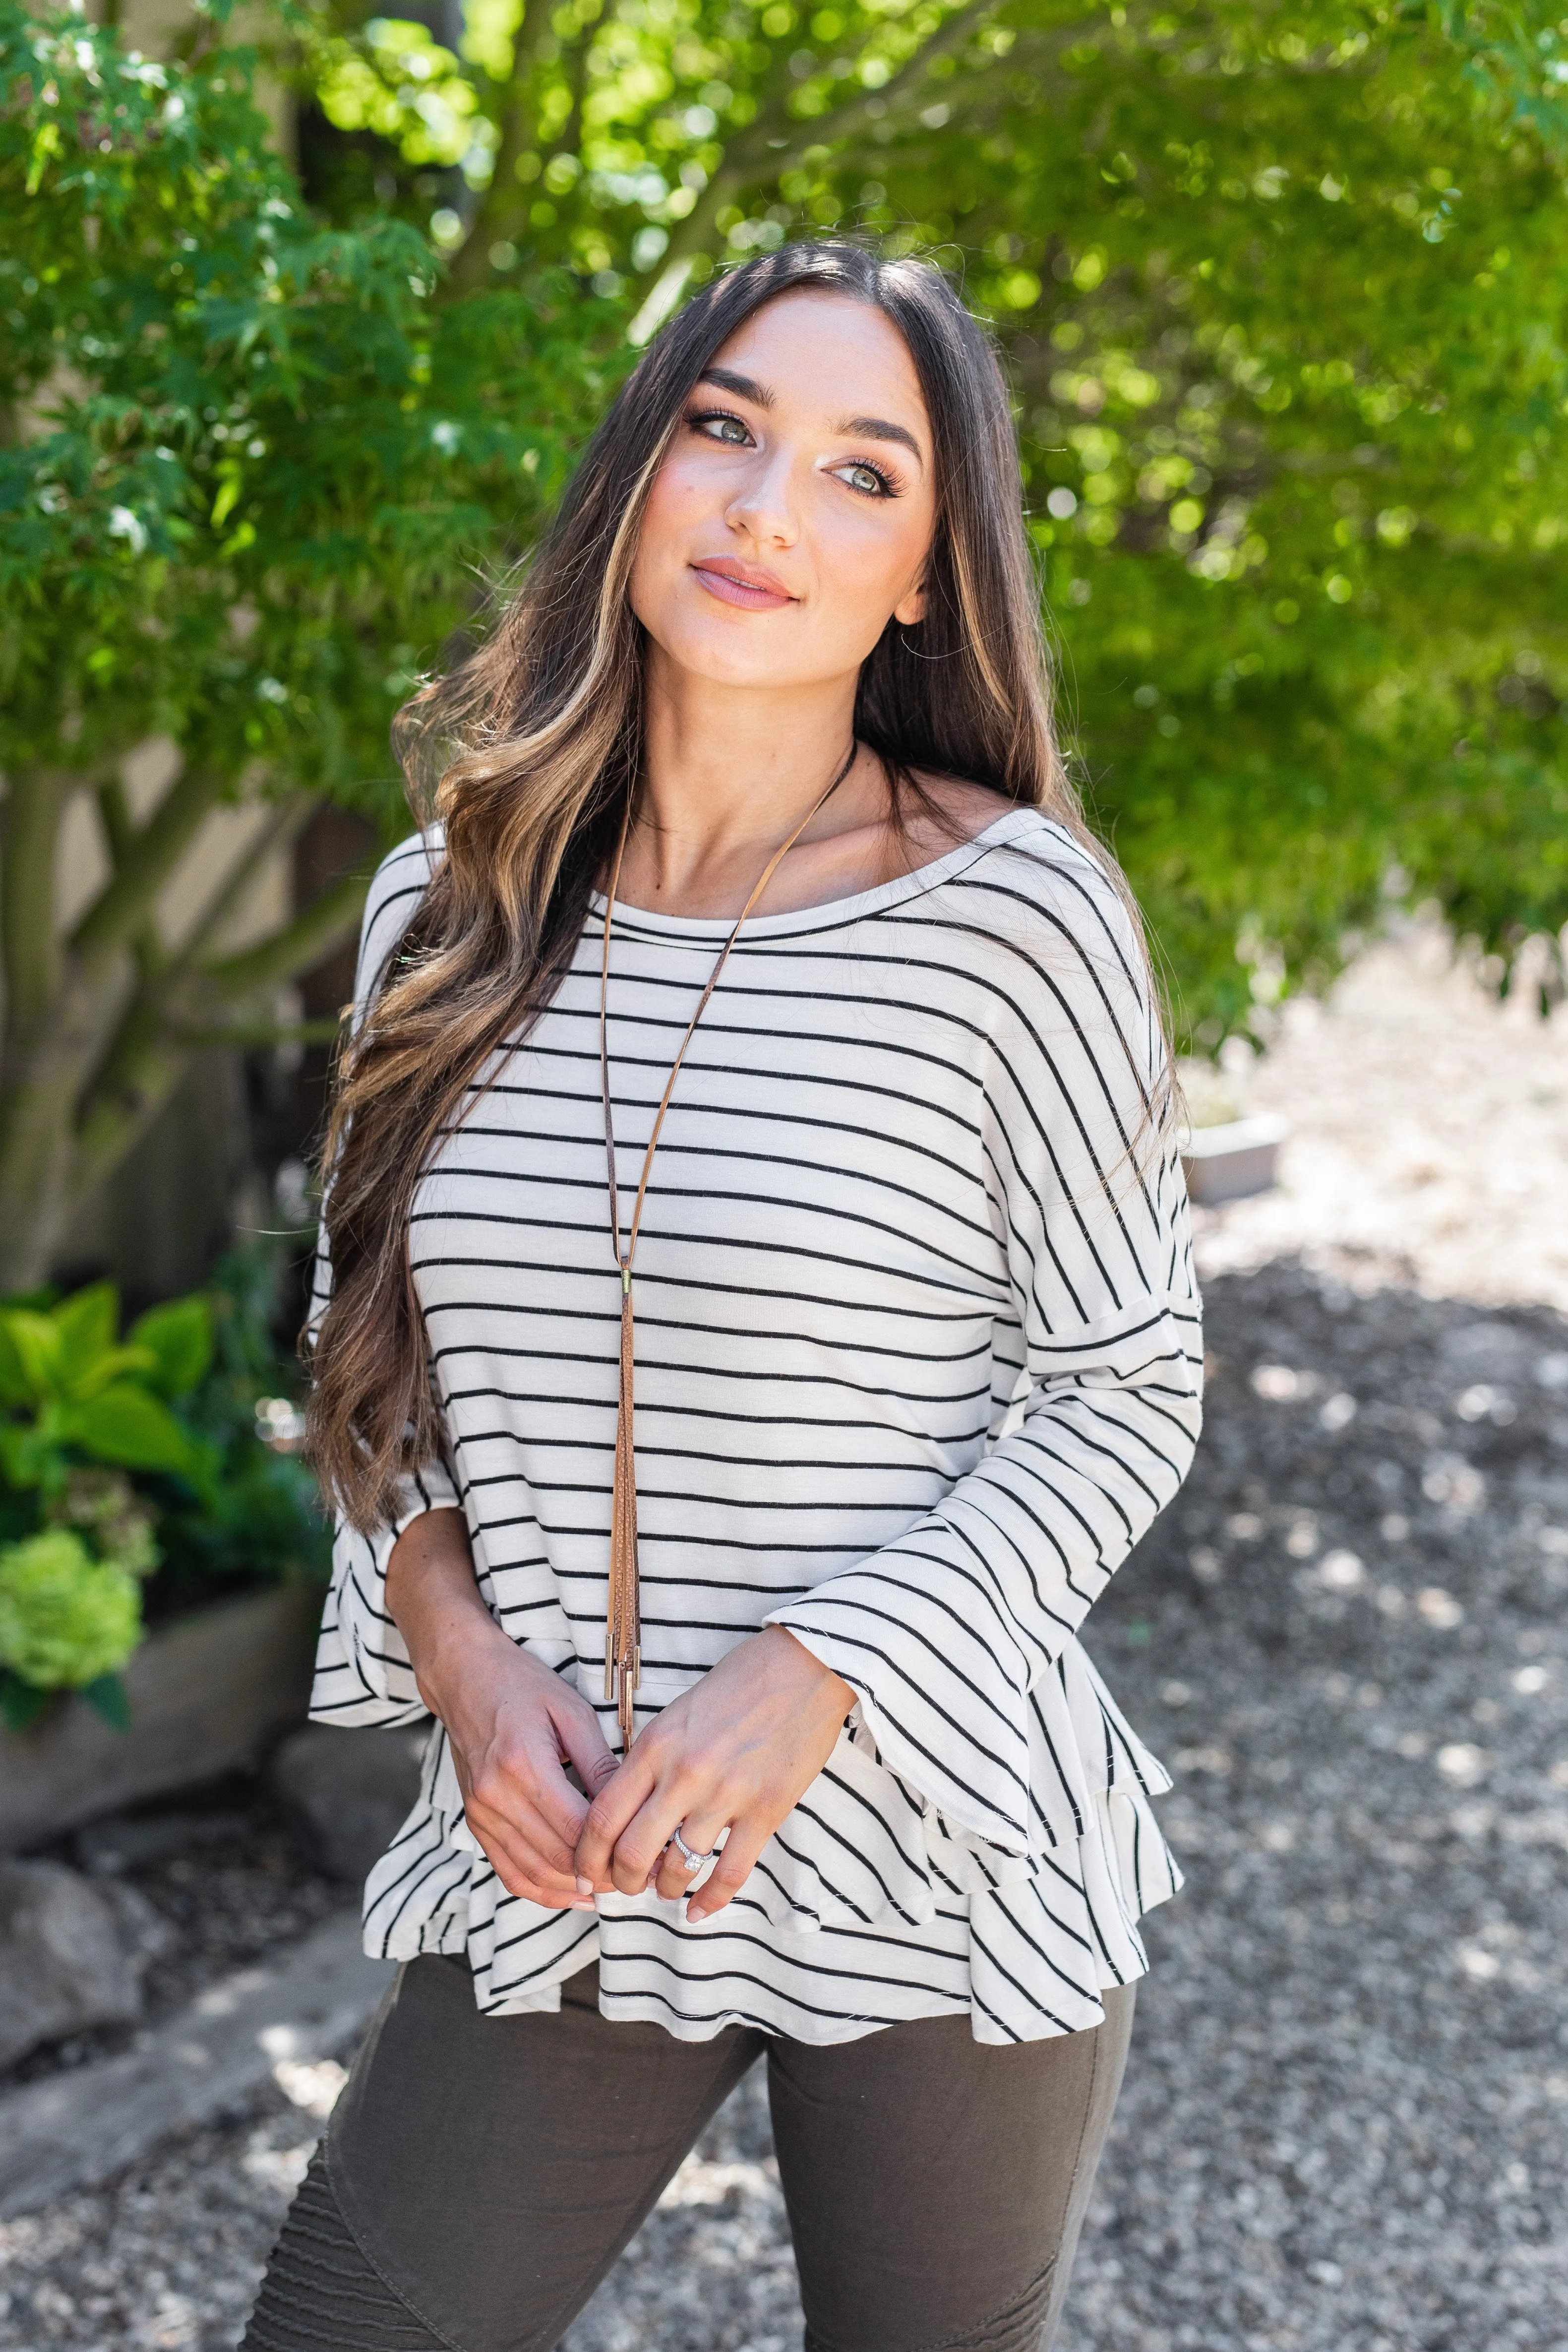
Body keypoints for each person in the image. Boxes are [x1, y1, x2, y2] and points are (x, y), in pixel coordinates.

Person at [243, 240, 1203, 2352]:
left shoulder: (1010, 917)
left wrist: (814, 1668)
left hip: (934, 1839)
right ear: (643, 471)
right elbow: (364, 1362)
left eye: (865, 473)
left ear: (932, 577)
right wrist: (461, 1660)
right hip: (574, 1843)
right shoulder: (447, 903)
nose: (769, 509)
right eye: (727, 428)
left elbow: (1122, 1384)